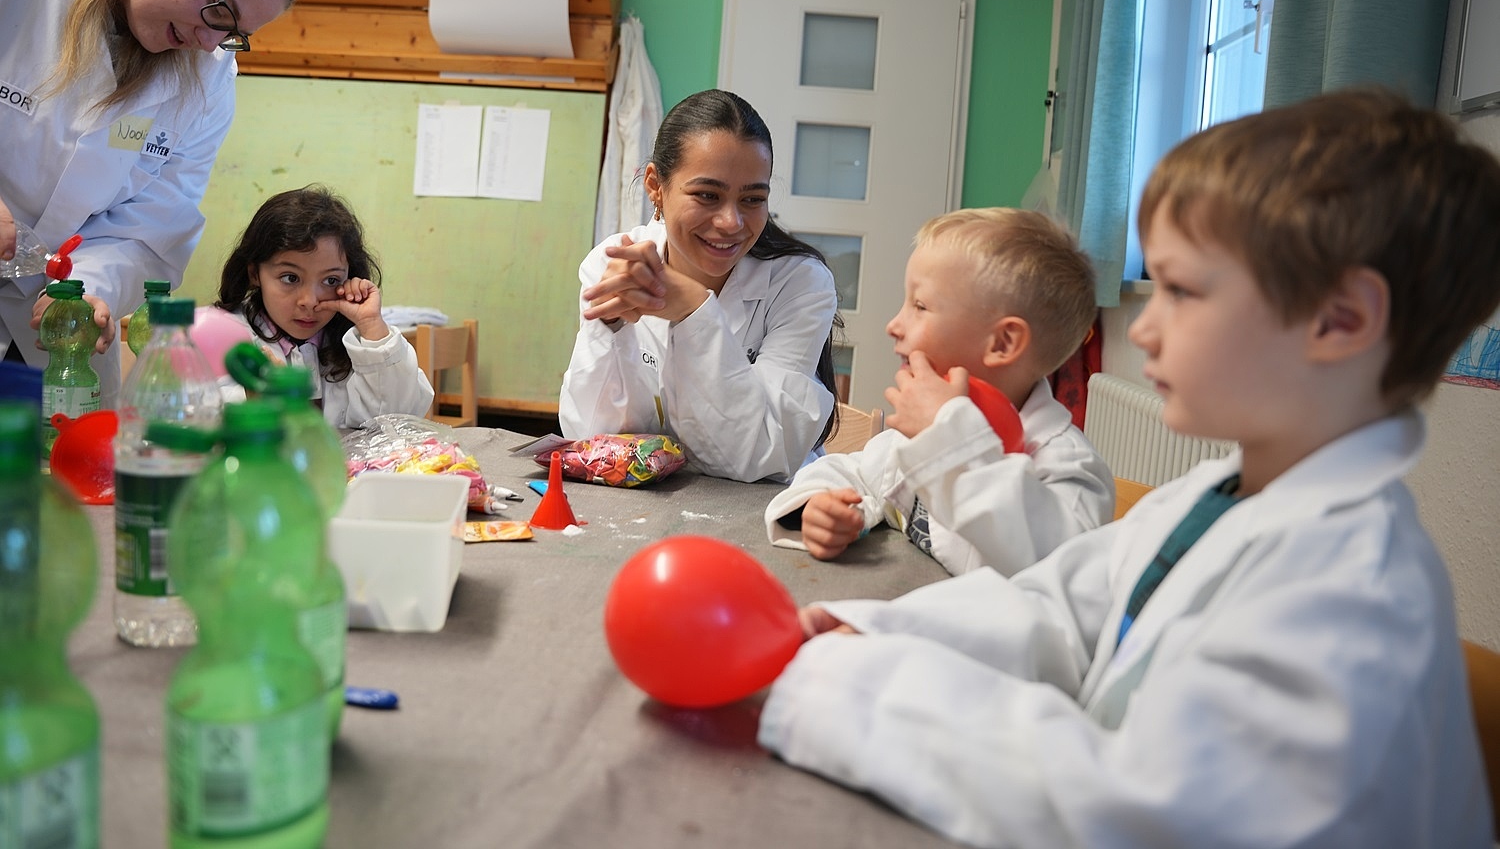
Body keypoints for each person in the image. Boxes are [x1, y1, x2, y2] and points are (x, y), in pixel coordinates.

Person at [757, 89, 1500, 847]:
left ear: (1339, 321)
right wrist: (866, 632)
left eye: (1180, 291)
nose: (1142, 326)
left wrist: (856, 693)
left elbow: (1150, 813)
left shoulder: (1350, 593)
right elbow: (1058, 614)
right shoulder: (1212, 497)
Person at [0, 0, 300, 406]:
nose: (211, 43)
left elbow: (152, 226)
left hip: (49, 342)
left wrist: (88, 287)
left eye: (234, 33)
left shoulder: (208, 78)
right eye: (219, 10)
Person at [763, 208, 1112, 575]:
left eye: (920, 306)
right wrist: (819, 507)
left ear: (1003, 342)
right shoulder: (915, 436)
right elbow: (853, 471)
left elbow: (1057, 566)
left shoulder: (1067, 467)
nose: (894, 325)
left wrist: (947, 436)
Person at [559, 89, 840, 483]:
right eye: (708, 195)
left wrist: (694, 312)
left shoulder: (800, 283)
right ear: (656, 185)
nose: (731, 222)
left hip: (765, 510)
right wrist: (610, 329)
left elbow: (758, 458)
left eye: (752, 199)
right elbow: (591, 440)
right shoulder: (616, 264)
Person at [208, 186, 433, 429]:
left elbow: (397, 420)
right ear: (255, 273)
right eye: (290, 278)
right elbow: (195, 416)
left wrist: (372, 328)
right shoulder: (223, 336)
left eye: (331, 281)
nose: (310, 301)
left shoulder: (355, 340)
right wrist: (254, 400)